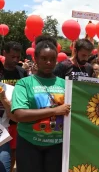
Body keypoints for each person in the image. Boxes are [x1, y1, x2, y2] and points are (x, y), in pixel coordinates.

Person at [11, 35, 70, 172]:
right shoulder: (24, 83)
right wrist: (55, 111)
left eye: (52, 59)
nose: (48, 62)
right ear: (35, 59)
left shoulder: (66, 85)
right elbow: (19, 114)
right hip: (29, 144)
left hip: (57, 146)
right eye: (44, 58)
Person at [0, 41, 27, 172]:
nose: (16, 60)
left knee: (13, 151)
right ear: (4, 53)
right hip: (1, 120)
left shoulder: (22, 72)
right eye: (12, 56)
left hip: (15, 120)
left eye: (18, 56)